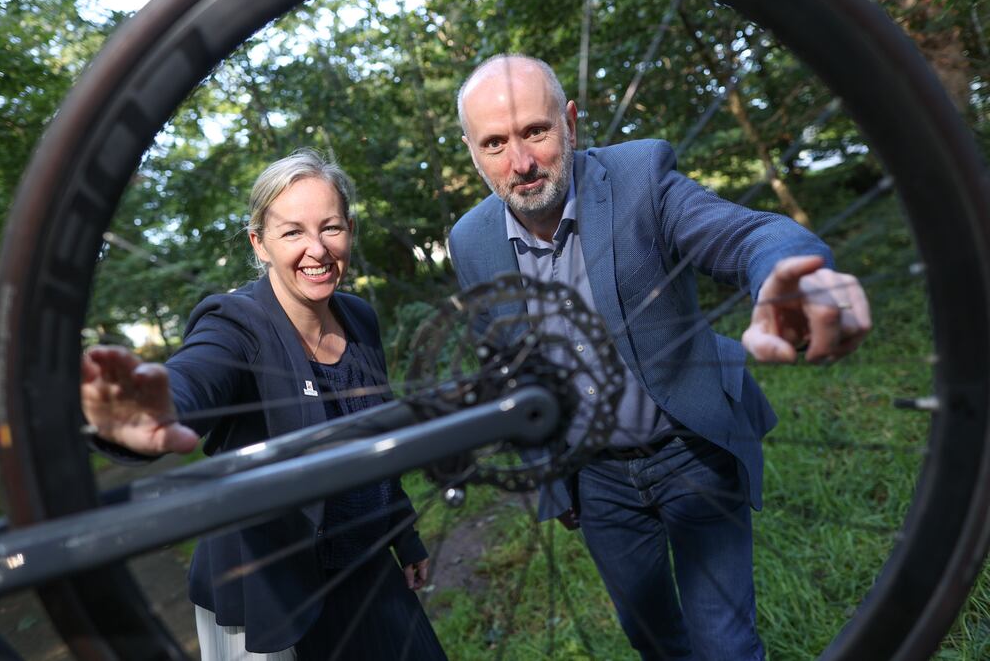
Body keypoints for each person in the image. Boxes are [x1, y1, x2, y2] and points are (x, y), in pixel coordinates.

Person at [449, 54, 871, 660]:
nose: (520, 163)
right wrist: (552, 477)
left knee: (725, 645)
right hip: (596, 481)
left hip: (690, 449)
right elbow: (506, 360)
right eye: (494, 143)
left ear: (570, 122)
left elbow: (743, 233)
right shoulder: (471, 240)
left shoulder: (639, 177)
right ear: (472, 150)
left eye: (535, 131)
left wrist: (791, 274)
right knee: (654, 644)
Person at [82, 149, 446, 660]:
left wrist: (403, 537)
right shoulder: (234, 323)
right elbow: (195, 376)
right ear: (260, 243)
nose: (316, 249)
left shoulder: (359, 318)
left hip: (365, 567)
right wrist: (156, 407)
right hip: (270, 593)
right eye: (292, 232)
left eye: (331, 227)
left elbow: (374, 442)